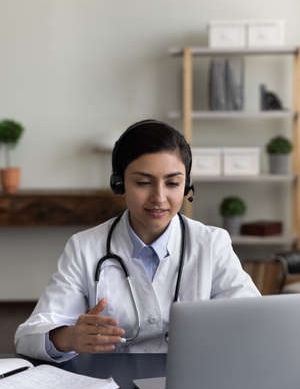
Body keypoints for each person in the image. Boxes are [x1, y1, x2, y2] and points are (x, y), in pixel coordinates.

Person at [15, 120, 260, 362]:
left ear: (187, 186)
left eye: (173, 183)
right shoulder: (84, 248)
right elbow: (27, 337)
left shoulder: (212, 244)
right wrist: (68, 337)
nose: (159, 197)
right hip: (111, 387)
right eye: (143, 182)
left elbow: (253, 320)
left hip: (194, 381)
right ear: (119, 183)